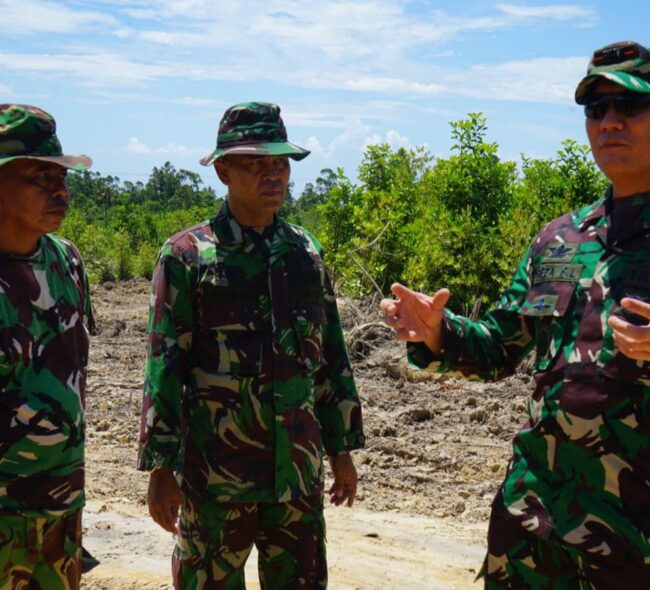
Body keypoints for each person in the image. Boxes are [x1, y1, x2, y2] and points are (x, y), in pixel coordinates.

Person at [380, 41, 650, 587]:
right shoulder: (561, 239)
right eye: (596, 109)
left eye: (629, 106)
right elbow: (500, 348)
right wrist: (439, 333)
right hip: (534, 522)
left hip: (632, 534)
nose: (610, 123)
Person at [138, 102, 365, 589]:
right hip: (217, 479)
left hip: (297, 477)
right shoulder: (187, 256)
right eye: (255, 164)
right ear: (223, 170)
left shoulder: (305, 253)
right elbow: (164, 366)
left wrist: (342, 447)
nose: (273, 174)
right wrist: (160, 466)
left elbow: (329, 358)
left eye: (279, 163)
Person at [0, 104, 95, 589]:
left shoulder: (66, 261)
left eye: (62, 177)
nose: (61, 191)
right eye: (41, 178)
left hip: (60, 502)